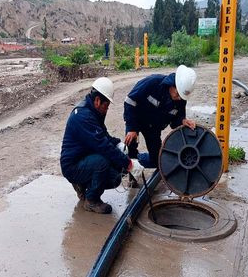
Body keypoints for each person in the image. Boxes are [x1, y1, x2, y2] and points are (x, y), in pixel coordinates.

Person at [60, 77, 143, 214]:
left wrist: (118, 144)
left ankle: (83, 185)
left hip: (83, 159)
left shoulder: (92, 111)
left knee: (115, 178)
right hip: (72, 166)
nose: (107, 110)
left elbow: (103, 136)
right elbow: (103, 146)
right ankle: (91, 200)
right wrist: (130, 164)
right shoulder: (83, 117)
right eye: (106, 106)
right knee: (102, 162)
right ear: (98, 101)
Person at [123, 65, 197, 184]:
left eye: (181, 96)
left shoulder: (180, 100)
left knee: (157, 160)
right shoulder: (152, 83)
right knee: (131, 146)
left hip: (153, 127)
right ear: (173, 85)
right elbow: (129, 101)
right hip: (136, 120)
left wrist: (183, 121)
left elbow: (176, 120)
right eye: (177, 94)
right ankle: (132, 177)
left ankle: (135, 161)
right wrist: (132, 128)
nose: (178, 98)